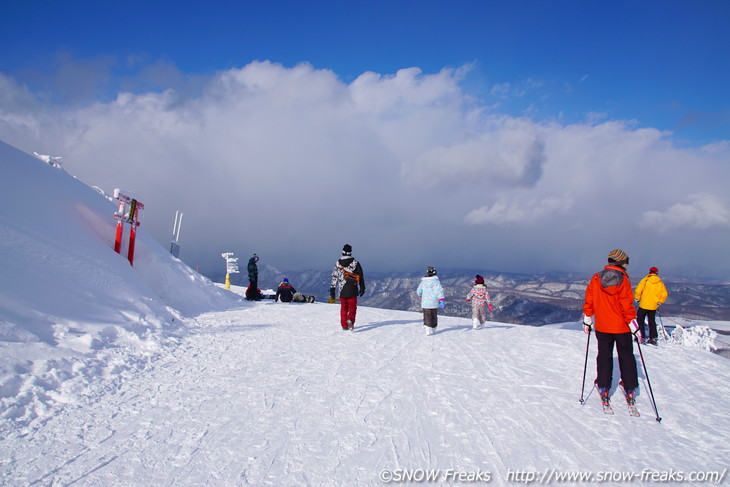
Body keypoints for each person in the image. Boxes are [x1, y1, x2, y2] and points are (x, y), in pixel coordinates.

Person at [582, 249, 641, 406]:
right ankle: (629, 388)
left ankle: (603, 386)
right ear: (620, 262)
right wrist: (632, 323)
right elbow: (626, 304)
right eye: (626, 260)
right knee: (626, 356)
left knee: (604, 355)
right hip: (621, 326)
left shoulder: (596, 278)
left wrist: (588, 317)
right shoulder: (623, 280)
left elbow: (590, 299)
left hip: (602, 325)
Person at [330, 244, 365, 330]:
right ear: (350, 253)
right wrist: (362, 287)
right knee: (352, 307)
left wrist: (332, 290)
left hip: (342, 291)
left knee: (344, 308)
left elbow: (334, 277)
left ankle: (344, 325)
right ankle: (350, 319)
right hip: (352, 289)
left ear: (342, 252)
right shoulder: (355, 262)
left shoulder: (338, 263)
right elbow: (360, 276)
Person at [634, 267, 668, 346]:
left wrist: (637, 298)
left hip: (643, 304)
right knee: (652, 321)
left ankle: (640, 336)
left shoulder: (645, 280)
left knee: (640, 320)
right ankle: (653, 338)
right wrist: (659, 302)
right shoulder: (660, 282)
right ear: (657, 273)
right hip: (653, 306)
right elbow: (664, 294)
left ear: (650, 272)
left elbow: (638, 290)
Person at [417, 266, 445, 336]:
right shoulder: (436, 282)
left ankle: (427, 329)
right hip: (434, 302)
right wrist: (441, 300)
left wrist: (420, 295)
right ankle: (433, 327)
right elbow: (440, 291)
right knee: (434, 315)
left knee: (427, 315)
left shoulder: (423, 282)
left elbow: (418, 290)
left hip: (425, 302)